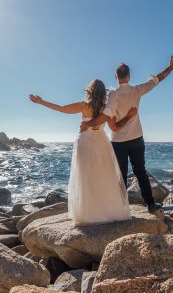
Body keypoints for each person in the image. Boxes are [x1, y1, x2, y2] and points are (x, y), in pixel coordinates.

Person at [80, 56, 173, 213]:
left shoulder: (112, 95)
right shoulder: (137, 90)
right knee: (140, 171)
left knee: (119, 174)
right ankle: (150, 204)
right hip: (136, 139)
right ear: (129, 76)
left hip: (118, 141)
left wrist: (88, 124)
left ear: (116, 77)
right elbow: (157, 80)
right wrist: (171, 67)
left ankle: (120, 207)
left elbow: (106, 115)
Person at [29, 79, 138, 225]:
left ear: (90, 91)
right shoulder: (107, 109)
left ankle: (88, 213)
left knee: (85, 176)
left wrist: (41, 102)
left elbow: (62, 109)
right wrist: (130, 116)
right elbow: (115, 128)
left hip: (85, 141)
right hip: (101, 142)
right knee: (104, 175)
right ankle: (109, 211)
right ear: (103, 93)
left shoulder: (84, 106)